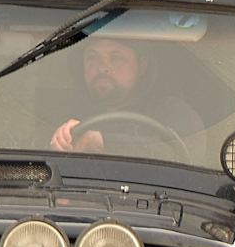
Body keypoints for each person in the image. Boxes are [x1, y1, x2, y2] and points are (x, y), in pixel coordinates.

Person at [49, 35, 203, 156]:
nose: (102, 67)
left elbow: (185, 152)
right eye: (92, 57)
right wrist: (60, 142)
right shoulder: (61, 114)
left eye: (116, 57)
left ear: (142, 65)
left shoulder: (173, 112)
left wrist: (104, 143)